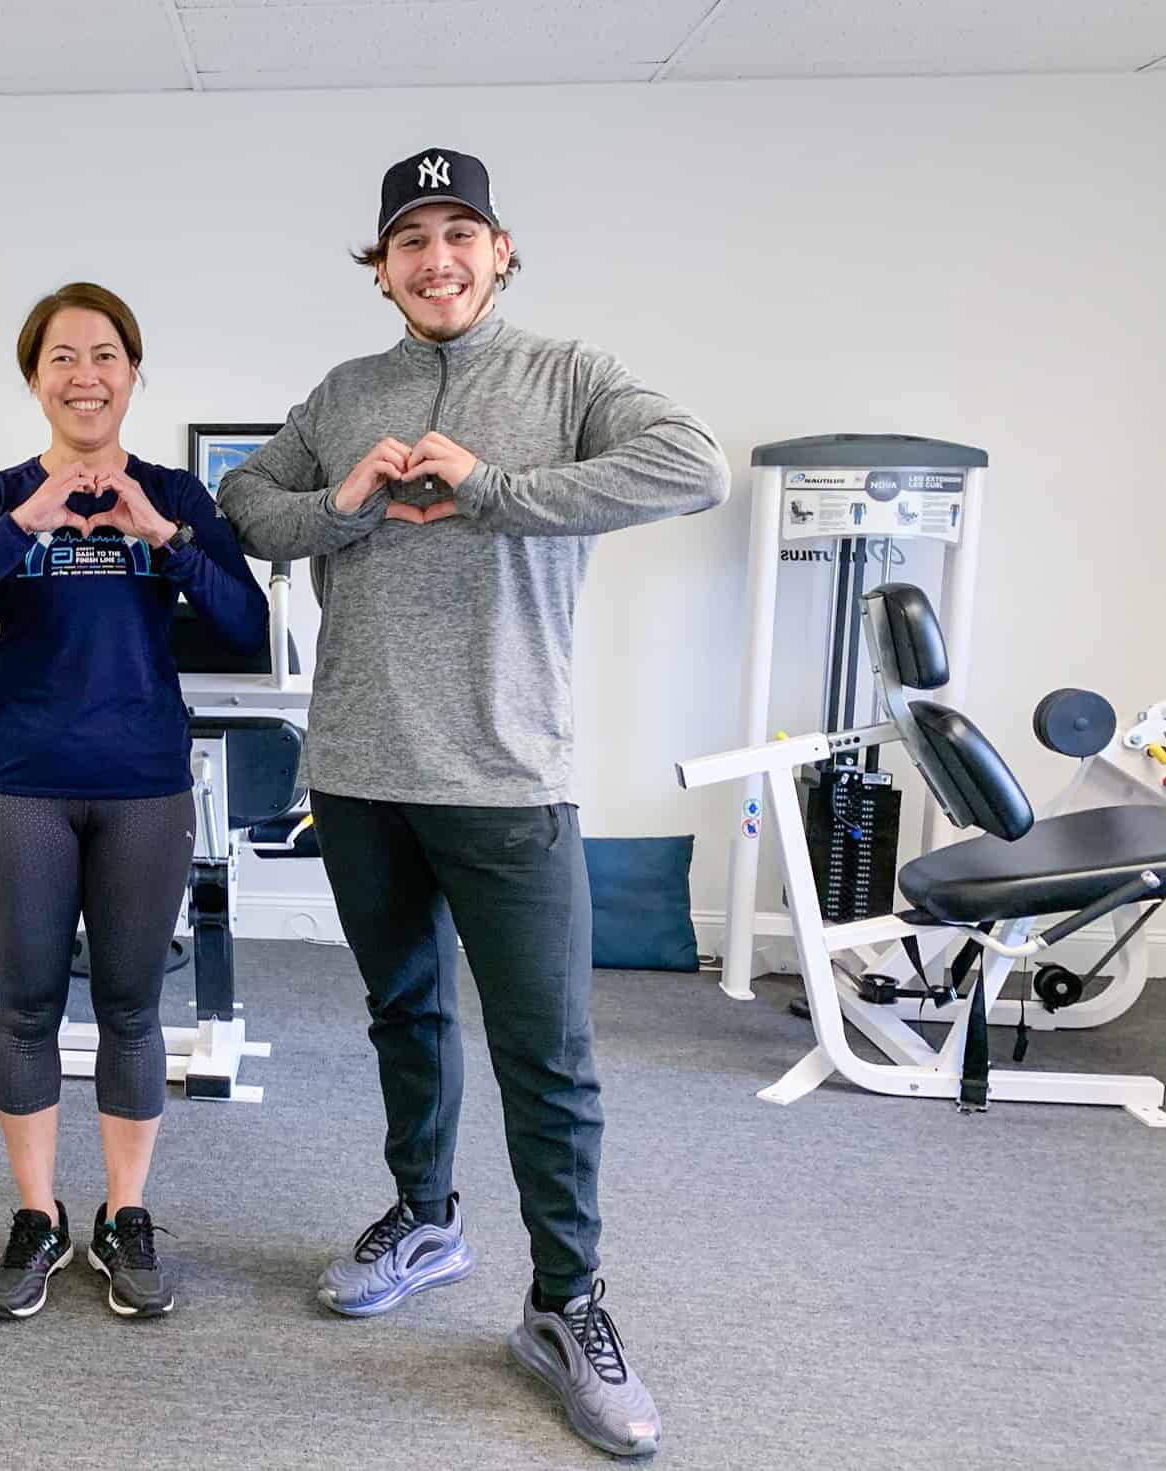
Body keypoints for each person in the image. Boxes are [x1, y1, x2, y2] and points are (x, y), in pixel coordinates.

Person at [217, 149, 730, 1457]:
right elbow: (244, 506)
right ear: (379, 267)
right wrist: (336, 506)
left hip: (508, 776)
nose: (434, 256)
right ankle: (424, 1215)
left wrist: (495, 490)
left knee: (545, 1053)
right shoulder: (344, 394)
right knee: (405, 1012)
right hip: (360, 770)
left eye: (459, 232)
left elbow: (694, 466)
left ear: (502, 251)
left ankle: (567, 1303)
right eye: (408, 239)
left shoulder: (567, 376)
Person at [0, 282, 267, 1321]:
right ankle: (37, 1216)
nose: (84, 375)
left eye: (104, 355)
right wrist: (25, 520)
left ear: (132, 374)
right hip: (22, 782)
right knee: (23, 1005)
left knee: (129, 1007)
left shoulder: (170, 495)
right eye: (60, 357)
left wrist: (161, 531)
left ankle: (124, 1212)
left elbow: (243, 624)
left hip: (143, 783)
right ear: (34, 378)